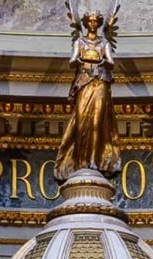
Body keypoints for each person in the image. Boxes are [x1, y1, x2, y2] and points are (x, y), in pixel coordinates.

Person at [54, 5, 122, 181]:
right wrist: (82, 59)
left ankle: (93, 160)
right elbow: (71, 61)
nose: (92, 24)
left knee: (97, 123)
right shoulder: (80, 42)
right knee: (81, 122)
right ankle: (79, 161)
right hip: (84, 82)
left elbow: (111, 63)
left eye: (95, 21)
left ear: (99, 24)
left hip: (100, 82)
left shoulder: (104, 43)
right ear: (85, 23)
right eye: (90, 21)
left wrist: (102, 61)